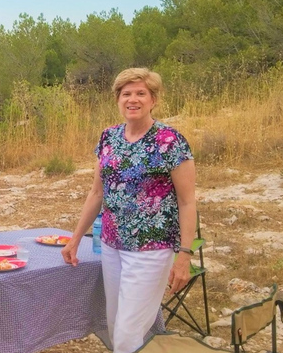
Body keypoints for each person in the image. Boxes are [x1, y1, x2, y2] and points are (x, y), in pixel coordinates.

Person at [61, 68, 197, 353]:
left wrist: (184, 255)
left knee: (126, 334)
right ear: (117, 99)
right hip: (111, 245)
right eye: (126, 94)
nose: (132, 99)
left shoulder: (169, 141)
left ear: (153, 100)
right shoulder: (109, 138)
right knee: (115, 326)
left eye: (140, 93)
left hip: (152, 250)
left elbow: (187, 201)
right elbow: (96, 192)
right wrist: (75, 238)